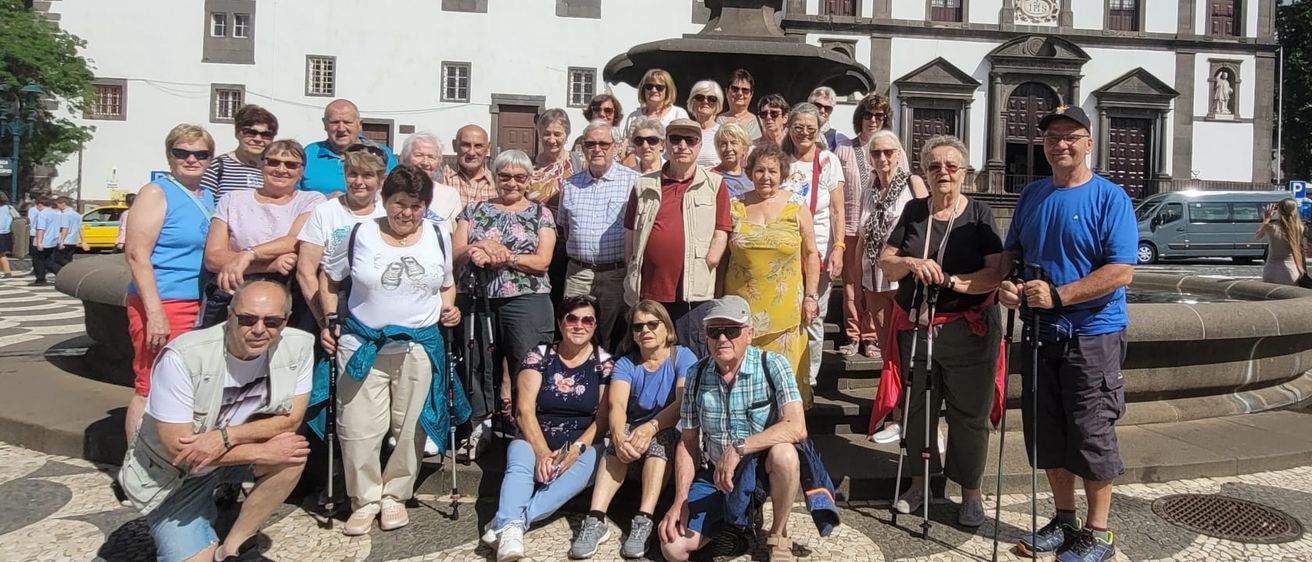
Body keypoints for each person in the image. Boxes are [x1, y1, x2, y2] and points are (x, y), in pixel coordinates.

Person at [998, 107, 1136, 562]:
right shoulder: (1033, 195)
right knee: (1049, 434)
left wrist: (1059, 295)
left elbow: (1120, 272)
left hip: (1092, 336)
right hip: (1041, 334)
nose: (1061, 144)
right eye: (1053, 137)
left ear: (1089, 142)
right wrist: (1008, 286)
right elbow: (1014, 255)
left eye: (1071, 137)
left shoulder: (1110, 197)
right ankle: (1064, 519)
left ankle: (1099, 533)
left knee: (1092, 434)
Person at [117, 281, 312, 562]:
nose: (259, 329)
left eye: (272, 321)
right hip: (176, 475)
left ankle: (233, 546)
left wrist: (225, 437)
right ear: (230, 315)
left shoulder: (298, 346)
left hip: (220, 451)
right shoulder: (183, 356)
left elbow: (291, 419)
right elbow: (176, 449)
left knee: (291, 450)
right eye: (247, 319)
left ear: (286, 321)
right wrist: (259, 450)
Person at [319, 164, 464, 536]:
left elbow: (446, 284)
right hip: (362, 344)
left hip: (418, 345)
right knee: (358, 427)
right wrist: (329, 321)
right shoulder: (359, 233)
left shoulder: (437, 234)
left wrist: (450, 306)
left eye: (416, 206)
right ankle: (364, 499)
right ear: (385, 201)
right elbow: (330, 279)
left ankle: (395, 495)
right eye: (400, 203)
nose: (407, 213)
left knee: (410, 425)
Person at [876, 134, 1003, 527]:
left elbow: (995, 273)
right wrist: (913, 264)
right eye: (934, 166)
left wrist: (950, 281)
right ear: (925, 173)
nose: (942, 173)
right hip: (917, 327)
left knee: (969, 414)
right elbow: (885, 261)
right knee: (916, 410)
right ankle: (918, 485)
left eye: (951, 166)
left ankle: (970, 492)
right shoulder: (915, 211)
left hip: (969, 331)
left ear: (964, 173)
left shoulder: (980, 214)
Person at [659, 295, 809, 562]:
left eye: (731, 330)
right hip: (716, 474)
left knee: (785, 454)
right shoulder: (695, 374)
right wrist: (680, 498)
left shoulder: (773, 364)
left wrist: (740, 448)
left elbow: (796, 426)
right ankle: (734, 529)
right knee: (673, 548)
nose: (722, 339)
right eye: (714, 331)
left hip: (761, 470)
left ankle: (778, 534)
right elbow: (688, 442)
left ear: (749, 334)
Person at [482, 295, 614, 562]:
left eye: (587, 320)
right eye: (572, 319)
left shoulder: (604, 363)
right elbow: (524, 410)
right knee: (519, 457)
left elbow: (602, 420)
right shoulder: (539, 355)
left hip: (580, 442)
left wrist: (576, 449)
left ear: (595, 325)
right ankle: (511, 526)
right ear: (560, 322)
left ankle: (510, 524)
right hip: (537, 436)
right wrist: (542, 452)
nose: (579, 325)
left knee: (594, 460)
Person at [453, 149, 558, 459]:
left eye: (520, 177)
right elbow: (455, 254)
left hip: (526, 298)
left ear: (529, 180)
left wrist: (506, 256)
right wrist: (477, 246)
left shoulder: (541, 214)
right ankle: (481, 425)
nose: (512, 183)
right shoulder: (473, 210)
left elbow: (542, 261)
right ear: (495, 177)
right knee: (478, 363)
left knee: (526, 362)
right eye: (505, 176)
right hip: (478, 297)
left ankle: (525, 425)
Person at [569, 300, 693, 559]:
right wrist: (618, 435)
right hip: (634, 429)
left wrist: (652, 426)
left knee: (663, 438)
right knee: (619, 435)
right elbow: (616, 405)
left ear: (665, 327)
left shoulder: (682, 356)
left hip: (666, 427)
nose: (645, 331)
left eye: (652, 324)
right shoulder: (626, 364)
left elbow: (681, 403)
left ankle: (644, 518)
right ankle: (595, 518)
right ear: (632, 334)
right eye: (638, 327)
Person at [123, 124, 217, 440]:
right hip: (165, 300)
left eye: (200, 154)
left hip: (196, 301)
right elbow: (137, 254)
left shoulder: (208, 196)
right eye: (182, 152)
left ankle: (170, 461)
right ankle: (136, 467)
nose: (192, 159)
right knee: (150, 384)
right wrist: (155, 313)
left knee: (183, 384)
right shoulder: (156, 192)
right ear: (170, 155)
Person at [624, 118, 732, 357]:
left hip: (693, 292)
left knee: (692, 356)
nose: (683, 145)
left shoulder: (714, 184)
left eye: (690, 140)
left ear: (699, 146)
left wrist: (710, 260)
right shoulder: (643, 184)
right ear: (666, 144)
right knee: (651, 356)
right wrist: (631, 264)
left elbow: (722, 229)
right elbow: (630, 232)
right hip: (649, 289)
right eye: (676, 139)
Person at [724, 143, 821, 406]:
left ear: (783, 174)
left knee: (783, 389)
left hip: (785, 316)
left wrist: (811, 297)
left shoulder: (797, 207)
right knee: (743, 388)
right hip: (742, 314)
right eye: (759, 170)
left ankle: (785, 442)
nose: (765, 177)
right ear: (749, 172)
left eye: (772, 171)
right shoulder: (734, 206)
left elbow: (811, 254)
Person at [200, 140, 325, 329]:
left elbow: (295, 241)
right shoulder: (232, 199)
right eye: (273, 162)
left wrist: (246, 255)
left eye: (291, 165)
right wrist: (269, 264)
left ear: (301, 172)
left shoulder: (311, 200)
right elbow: (213, 257)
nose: (281, 169)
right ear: (261, 165)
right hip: (233, 294)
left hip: (287, 295)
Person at [844, 129, 927, 360]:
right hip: (874, 282)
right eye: (876, 152)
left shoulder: (913, 184)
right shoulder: (868, 192)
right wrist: (859, 286)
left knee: (908, 347)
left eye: (888, 152)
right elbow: (862, 241)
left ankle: (908, 394)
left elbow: (927, 229)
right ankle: (890, 394)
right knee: (886, 349)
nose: (882, 158)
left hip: (903, 279)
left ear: (898, 154)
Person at [780, 103, 846, 394]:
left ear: (819, 131)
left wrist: (839, 247)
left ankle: (809, 379)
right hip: (785, 251)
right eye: (798, 127)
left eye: (810, 128)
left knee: (813, 315)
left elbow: (837, 210)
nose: (804, 133)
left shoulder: (828, 161)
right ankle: (785, 374)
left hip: (817, 250)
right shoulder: (781, 160)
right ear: (789, 128)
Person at [560, 121, 640, 351]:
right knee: (574, 332)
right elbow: (566, 229)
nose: (597, 149)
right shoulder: (570, 185)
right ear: (583, 148)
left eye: (604, 143)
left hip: (615, 273)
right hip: (578, 273)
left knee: (612, 336)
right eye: (591, 144)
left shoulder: (632, 181)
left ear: (615, 147)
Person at [296, 148, 388, 329]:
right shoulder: (324, 211)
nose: (358, 182)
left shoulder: (387, 213)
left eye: (367, 175)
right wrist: (324, 321)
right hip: (333, 296)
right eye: (353, 174)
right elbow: (306, 272)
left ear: (380, 180)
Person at [843, 95, 905, 358]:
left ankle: (871, 337)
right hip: (855, 234)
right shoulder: (847, 152)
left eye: (879, 116)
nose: (873, 120)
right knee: (853, 281)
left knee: (877, 285)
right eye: (868, 115)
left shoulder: (904, 171)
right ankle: (853, 334)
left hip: (894, 259)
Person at [300, 99, 399, 196]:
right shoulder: (310, 153)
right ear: (325, 124)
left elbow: (398, 193)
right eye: (335, 122)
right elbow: (292, 196)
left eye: (347, 122)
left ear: (359, 125)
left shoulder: (380, 153)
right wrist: (325, 202)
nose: (341, 129)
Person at [200, 104, 278, 202]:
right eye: (250, 132)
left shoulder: (273, 170)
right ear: (237, 133)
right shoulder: (217, 167)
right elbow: (204, 205)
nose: (258, 139)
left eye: (266, 135)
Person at [399, 132, 464, 227]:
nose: (425, 162)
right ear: (405, 158)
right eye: (418, 155)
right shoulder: (392, 192)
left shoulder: (450, 195)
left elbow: (456, 233)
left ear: (438, 162)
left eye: (431, 157)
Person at [528, 108, 576, 210]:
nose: (551, 140)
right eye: (547, 134)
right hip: (536, 225)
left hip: (568, 225)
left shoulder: (579, 164)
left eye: (557, 134)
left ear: (567, 135)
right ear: (540, 135)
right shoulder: (528, 166)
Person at [622, 68, 690, 139]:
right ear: (643, 90)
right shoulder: (633, 117)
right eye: (649, 86)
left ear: (667, 91)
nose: (654, 90)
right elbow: (626, 145)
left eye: (659, 87)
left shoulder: (678, 114)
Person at [446, 124, 497, 206]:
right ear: (455, 145)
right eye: (466, 145)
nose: (471, 152)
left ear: (488, 148)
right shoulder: (442, 179)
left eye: (478, 146)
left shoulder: (497, 183)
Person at [1257, 198, 1304, 285]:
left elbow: (1257, 236)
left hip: (1271, 270)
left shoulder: (1272, 227)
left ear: (1279, 211)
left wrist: (1267, 219)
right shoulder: (1299, 228)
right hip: (1291, 271)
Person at [686, 80, 724, 168]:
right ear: (692, 101)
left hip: (715, 180)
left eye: (712, 99)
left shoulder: (723, 133)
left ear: (717, 104)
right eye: (700, 97)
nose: (705, 101)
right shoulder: (684, 131)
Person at [717, 69, 762, 141]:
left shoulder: (760, 122)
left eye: (745, 90)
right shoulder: (717, 121)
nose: (740, 93)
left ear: (751, 94)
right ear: (726, 91)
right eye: (735, 89)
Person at [712, 123, 754, 199]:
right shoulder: (712, 177)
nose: (728, 148)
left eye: (734, 143)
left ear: (744, 149)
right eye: (723, 144)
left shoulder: (751, 175)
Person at [30, 196, 62, 286]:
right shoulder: (56, 213)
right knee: (49, 260)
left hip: (44, 240)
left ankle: (40, 279)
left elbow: (40, 229)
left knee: (38, 260)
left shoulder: (42, 214)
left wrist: (39, 242)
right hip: (53, 240)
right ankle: (60, 271)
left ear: (40, 205)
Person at [54, 197, 89, 269]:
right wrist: (83, 241)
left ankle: (73, 267)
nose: (57, 207)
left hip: (65, 240)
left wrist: (61, 241)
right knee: (68, 258)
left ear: (63, 204)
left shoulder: (65, 215)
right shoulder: (77, 215)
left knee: (58, 259)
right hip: (73, 240)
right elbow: (80, 228)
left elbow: (65, 228)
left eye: (58, 205)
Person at [0, 192, 17, 278]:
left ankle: (7, 272)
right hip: (6, 233)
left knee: (1, 254)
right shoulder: (9, 208)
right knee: (2, 254)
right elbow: (17, 217)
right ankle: (7, 272)